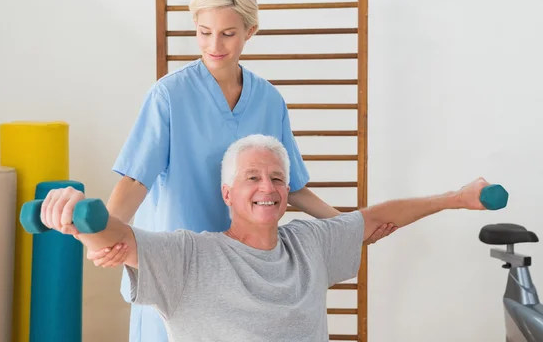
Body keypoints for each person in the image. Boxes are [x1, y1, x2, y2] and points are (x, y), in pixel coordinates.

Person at [89, 0, 394, 341]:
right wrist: (105, 234)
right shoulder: (169, 96)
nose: (213, 44)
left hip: (243, 272)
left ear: (250, 31)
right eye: (204, 32)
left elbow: (291, 187)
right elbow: (135, 180)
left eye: (227, 34)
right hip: (177, 269)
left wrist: (351, 227)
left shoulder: (269, 100)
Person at [43, 134, 497, 342]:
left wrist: (457, 198)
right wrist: (78, 217)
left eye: (278, 178)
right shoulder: (190, 255)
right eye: (253, 177)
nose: (268, 187)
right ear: (228, 193)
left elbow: (379, 216)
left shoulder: (311, 243)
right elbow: (114, 238)